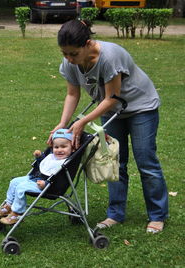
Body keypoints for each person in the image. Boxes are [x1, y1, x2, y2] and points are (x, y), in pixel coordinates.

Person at [48, 19, 168, 234]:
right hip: (111, 111)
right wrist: (63, 124)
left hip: (141, 107)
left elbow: (112, 97)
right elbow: (72, 94)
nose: (68, 59)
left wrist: (83, 121)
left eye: (73, 54)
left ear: (87, 43)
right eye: (64, 53)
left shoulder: (111, 57)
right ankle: (115, 214)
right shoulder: (70, 62)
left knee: (146, 161)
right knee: (113, 162)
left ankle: (157, 216)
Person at [0, 129, 74, 225]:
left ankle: (17, 213)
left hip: (48, 186)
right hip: (34, 178)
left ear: (72, 148)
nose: (59, 150)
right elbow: (43, 165)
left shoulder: (65, 163)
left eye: (63, 147)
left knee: (20, 188)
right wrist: (39, 157)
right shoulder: (52, 157)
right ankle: (8, 206)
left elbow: (59, 179)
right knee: (14, 182)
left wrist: (45, 183)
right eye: (56, 147)